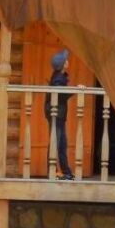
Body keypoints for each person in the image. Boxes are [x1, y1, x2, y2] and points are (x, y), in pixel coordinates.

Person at [44, 49, 74, 180]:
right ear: (62, 64)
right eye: (65, 60)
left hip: (59, 114)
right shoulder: (57, 78)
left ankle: (66, 172)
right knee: (56, 142)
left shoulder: (60, 76)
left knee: (62, 143)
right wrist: (76, 89)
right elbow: (61, 94)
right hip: (55, 114)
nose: (67, 61)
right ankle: (53, 171)